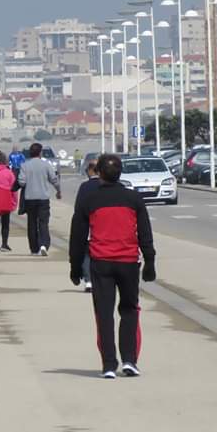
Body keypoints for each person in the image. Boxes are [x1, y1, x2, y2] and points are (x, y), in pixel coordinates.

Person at [69, 154, 156, 379]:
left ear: (98, 172)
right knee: (129, 310)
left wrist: (76, 266)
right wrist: (150, 262)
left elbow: (77, 236)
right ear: (120, 172)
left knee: (104, 314)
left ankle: (109, 364)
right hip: (128, 263)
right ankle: (129, 360)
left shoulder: (89, 200)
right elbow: (145, 234)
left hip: (101, 263)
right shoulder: (134, 199)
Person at [18, 142, 60, 256]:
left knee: (31, 223)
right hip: (43, 198)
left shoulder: (25, 165)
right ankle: (44, 244)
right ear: (40, 153)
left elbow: (21, 182)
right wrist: (58, 191)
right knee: (43, 222)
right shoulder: (46, 165)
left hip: (30, 198)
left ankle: (33, 248)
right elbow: (54, 179)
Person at [74, 159, 101, 292]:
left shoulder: (84, 187)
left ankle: (88, 280)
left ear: (91, 171)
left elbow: (78, 208)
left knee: (86, 253)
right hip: (103, 225)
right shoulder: (106, 185)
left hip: (87, 224)